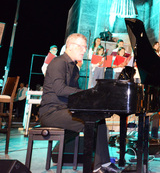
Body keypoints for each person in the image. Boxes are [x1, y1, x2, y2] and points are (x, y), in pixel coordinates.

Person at [39, 33, 119, 173]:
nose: (84, 50)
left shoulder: (74, 67)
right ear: (69, 47)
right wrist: (86, 93)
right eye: (81, 47)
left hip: (64, 110)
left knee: (99, 120)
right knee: (91, 122)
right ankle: (98, 167)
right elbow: (60, 89)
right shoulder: (58, 62)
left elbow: (74, 95)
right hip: (51, 112)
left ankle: (104, 164)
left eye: (85, 47)